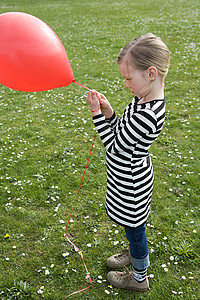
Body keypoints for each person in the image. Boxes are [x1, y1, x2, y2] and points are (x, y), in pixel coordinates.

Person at [86, 33, 170, 292]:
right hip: (128, 175)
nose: (126, 85)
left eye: (128, 78)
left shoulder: (148, 114)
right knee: (132, 225)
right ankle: (135, 254)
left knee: (135, 229)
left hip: (131, 183)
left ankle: (139, 276)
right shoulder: (142, 99)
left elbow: (114, 145)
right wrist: (110, 113)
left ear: (151, 73)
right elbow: (123, 130)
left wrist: (96, 115)